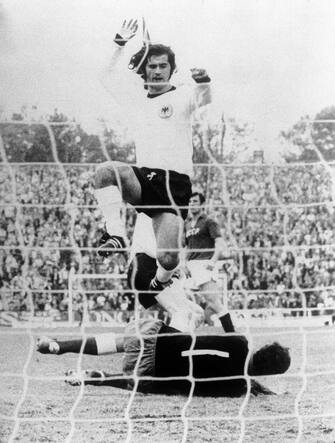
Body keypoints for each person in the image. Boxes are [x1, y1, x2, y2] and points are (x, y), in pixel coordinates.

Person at [94, 18, 212, 293]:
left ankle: (160, 281)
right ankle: (116, 234)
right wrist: (119, 43)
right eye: (152, 66)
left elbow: (204, 98)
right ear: (144, 70)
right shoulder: (135, 99)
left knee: (168, 258)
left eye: (163, 66)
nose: (157, 71)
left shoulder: (182, 96)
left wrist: (203, 80)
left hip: (175, 185)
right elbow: (104, 76)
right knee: (105, 172)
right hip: (144, 177)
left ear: (171, 69)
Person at [37, 302, 290, 397]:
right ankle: (96, 379)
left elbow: (211, 324)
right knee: (143, 382)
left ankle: (60, 345)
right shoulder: (238, 388)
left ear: (262, 349)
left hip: (159, 339)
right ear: (269, 373)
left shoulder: (240, 342)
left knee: (118, 342)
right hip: (156, 370)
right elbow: (201, 389)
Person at [184, 191, 230, 324]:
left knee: (214, 301)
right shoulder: (187, 224)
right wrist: (183, 263)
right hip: (190, 266)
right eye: (190, 202)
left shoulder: (209, 221)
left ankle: (231, 332)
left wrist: (212, 261)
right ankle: (201, 321)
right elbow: (186, 247)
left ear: (202, 204)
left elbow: (220, 243)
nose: (192, 205)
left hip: (204, 263)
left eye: (195, 202)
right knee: (181, 298)